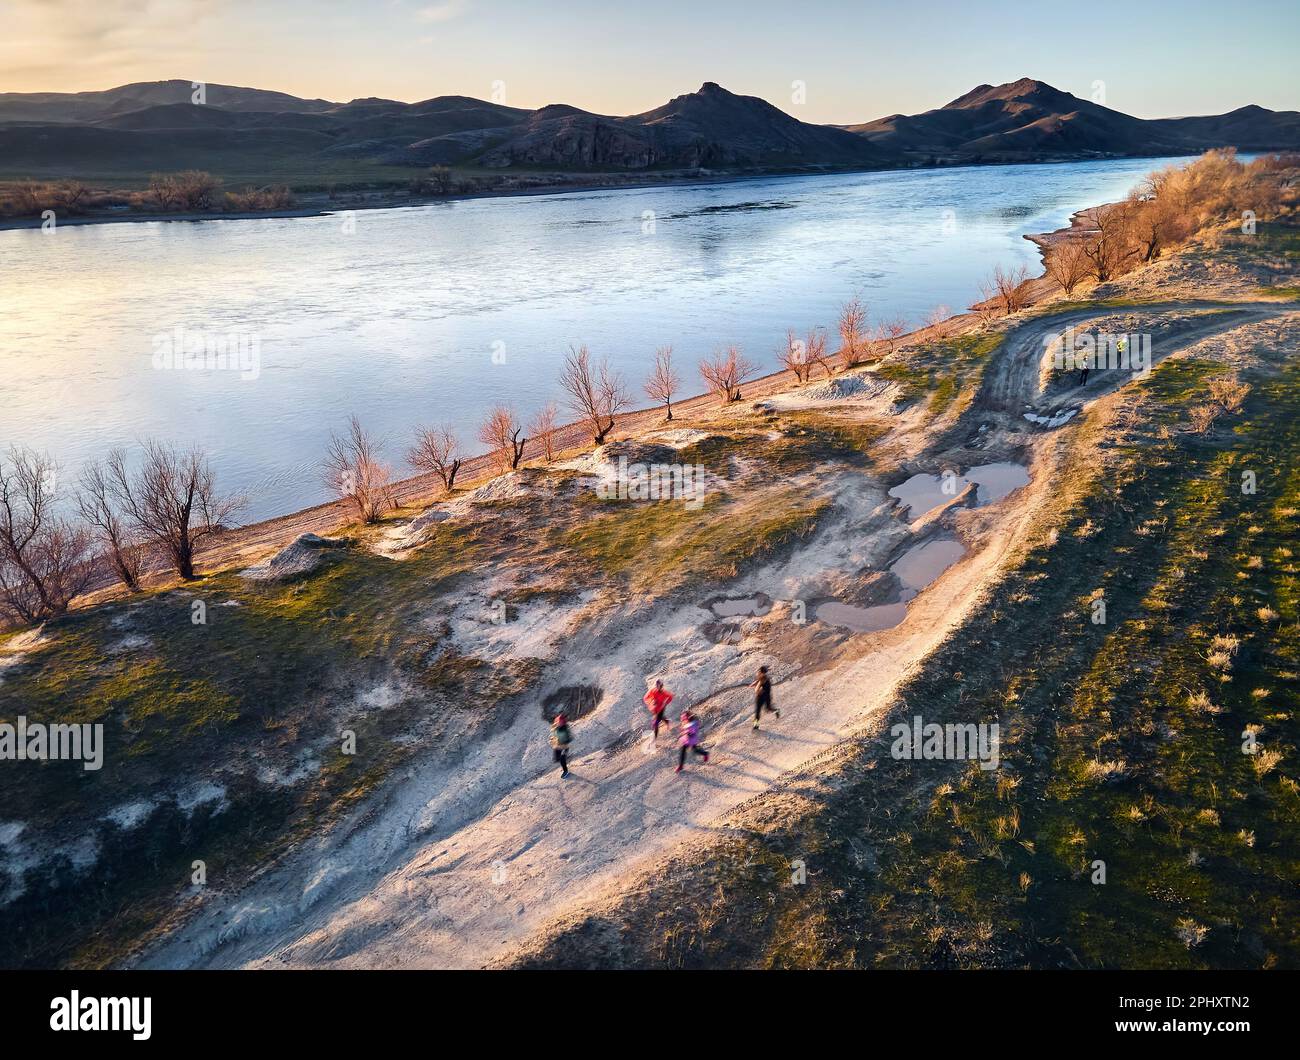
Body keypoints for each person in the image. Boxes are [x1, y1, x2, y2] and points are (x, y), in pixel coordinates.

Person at [752, 665, 780, 730]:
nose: (758, 672)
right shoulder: (761, 677)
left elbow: (759, 687)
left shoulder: (764, 679)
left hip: (765, 696)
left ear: (762, 672)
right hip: (763, 696)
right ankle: (756, 725)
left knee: (767, 709)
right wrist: (754, 683)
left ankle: (776, 710)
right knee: (758, 711)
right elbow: (758, 681)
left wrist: (757, 689)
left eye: (759, 671)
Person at [550, 712, 572, 777]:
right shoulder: (554, 727)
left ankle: (566, 771)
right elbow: (553, 735)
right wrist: (552, 741)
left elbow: (568, 738)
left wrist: (564, 741)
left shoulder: (565, 729)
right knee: (556, 759)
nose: (560, 724)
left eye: (561, 723)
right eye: (558, 722)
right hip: (557, 746)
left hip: (564, 746)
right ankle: (564, 759)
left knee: (562, 759)